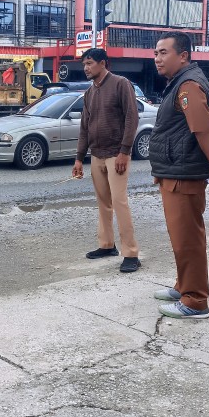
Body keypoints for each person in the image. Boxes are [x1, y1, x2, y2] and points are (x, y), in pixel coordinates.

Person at [150, 32, 209, 319]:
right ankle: (184, 285)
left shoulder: (188, 85)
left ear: (183, 55)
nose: (157, 58)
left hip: (184, 176)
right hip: (176, 173)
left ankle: (195, 301)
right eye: (156, 53)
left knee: (188, 239)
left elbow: (202, 128)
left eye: (163, 52)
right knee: (180, 237)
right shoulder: (180, 83)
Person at [71, 48, 141, 273]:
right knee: (103, 203)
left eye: (90, 63)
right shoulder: (90, 93)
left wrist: (124, 151)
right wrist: (79, 158)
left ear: (103, 63)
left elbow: (132, 117)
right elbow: (85, 127)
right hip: (97, 155)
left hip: (116, 155)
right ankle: (107, 245)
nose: (86, 68)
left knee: (119, 202)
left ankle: (130, 253)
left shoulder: (121, 84)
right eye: (84, 64)